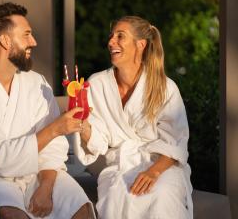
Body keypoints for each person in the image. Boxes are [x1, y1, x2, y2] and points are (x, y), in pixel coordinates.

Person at [0, 2, 95, 219]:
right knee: (12, 214)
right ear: (5, 41)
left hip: (38, 173)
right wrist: (55, 129)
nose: (33, 42)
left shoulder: (36, 83)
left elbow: (53, 149)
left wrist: (45, 187)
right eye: (26, 34)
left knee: (81, 209)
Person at [74, 16, 193, 218]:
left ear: (141, 44)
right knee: (118, 195)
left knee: (163, 195)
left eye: (120, 36)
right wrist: (82, 126)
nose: (111, 42)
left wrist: (154, 172)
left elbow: (176, 141)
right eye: (111, 36)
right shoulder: (97, 84)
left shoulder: (164, 87)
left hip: (162, 165)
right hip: (119, 166)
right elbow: (99, 140)